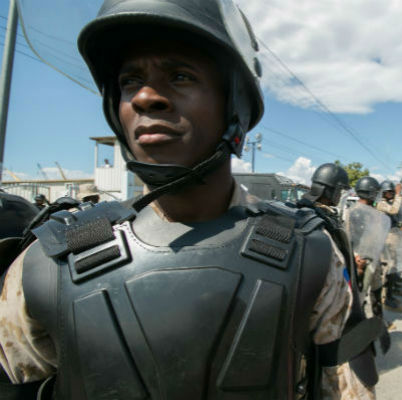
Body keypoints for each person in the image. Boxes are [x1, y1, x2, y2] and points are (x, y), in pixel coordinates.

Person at [0, 1, 377, 398]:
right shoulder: (52, 260)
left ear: (236, 107)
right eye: (130, 81)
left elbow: (345, 389)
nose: (146, 97)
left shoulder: (309, 254)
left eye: (180, 75)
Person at [346, 176, 392, 331]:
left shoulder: (373, 211)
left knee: (376, 292)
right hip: (361, 261)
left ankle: (379, 324)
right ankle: (359, 329)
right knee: (360, 297)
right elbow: (348, 238)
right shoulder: (354, 212)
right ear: (370, 193)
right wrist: (356, 259)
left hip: (374, 258)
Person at [376, 180, 402, 312]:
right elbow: (394, 210)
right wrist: (398, 194)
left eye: (392, 192)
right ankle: (385, 297)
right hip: (386, 238)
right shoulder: (381, 204)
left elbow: (398, 213)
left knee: (394, 267)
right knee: (388, 268)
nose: (391, 194)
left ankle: (391, 292)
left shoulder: (390, 202)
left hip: (393, 236)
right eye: (388, 192)